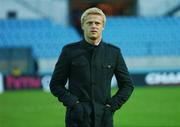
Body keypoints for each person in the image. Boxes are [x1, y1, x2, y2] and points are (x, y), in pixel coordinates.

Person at [49, 7, 134, 127]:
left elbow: (127, 85)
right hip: (76, 119)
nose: (94, 26)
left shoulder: (114, 53)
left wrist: (112, 106)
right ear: (83, 26)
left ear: (102, 26)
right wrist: (74, 103)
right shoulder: (69, 51)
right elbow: (55, 84)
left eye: (97, 23)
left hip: (104, 119)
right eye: (89, 23)